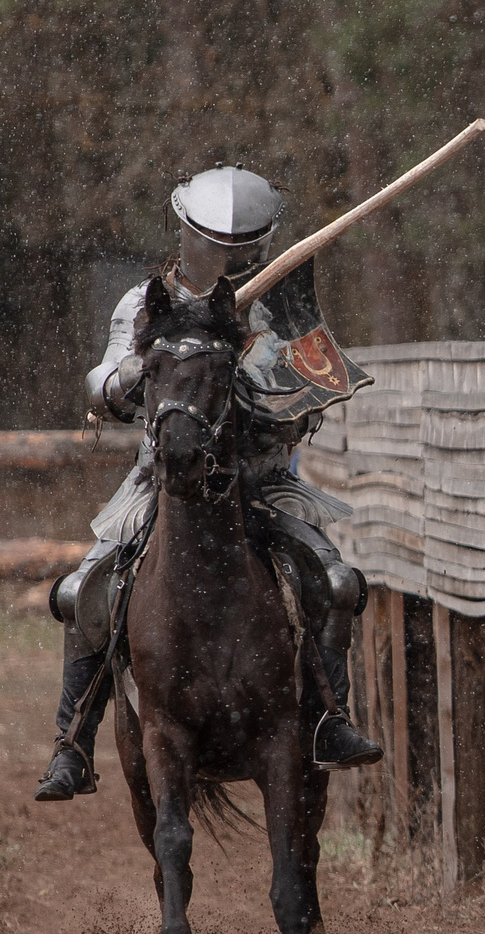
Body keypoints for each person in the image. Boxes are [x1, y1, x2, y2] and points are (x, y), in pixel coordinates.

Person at [35, 165, 385, 801]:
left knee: (334, 584)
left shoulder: (282, 307)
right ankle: (74, 742)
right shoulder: (146, 303)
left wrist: (248, 385)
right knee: (81, 592)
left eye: (239, 245)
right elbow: (105, 380)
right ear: (187, 231)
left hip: (259, 483)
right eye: (214, 242)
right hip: (163, 480)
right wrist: (150, 369)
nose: (225, 255)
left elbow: (308, 395)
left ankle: (329, 720)